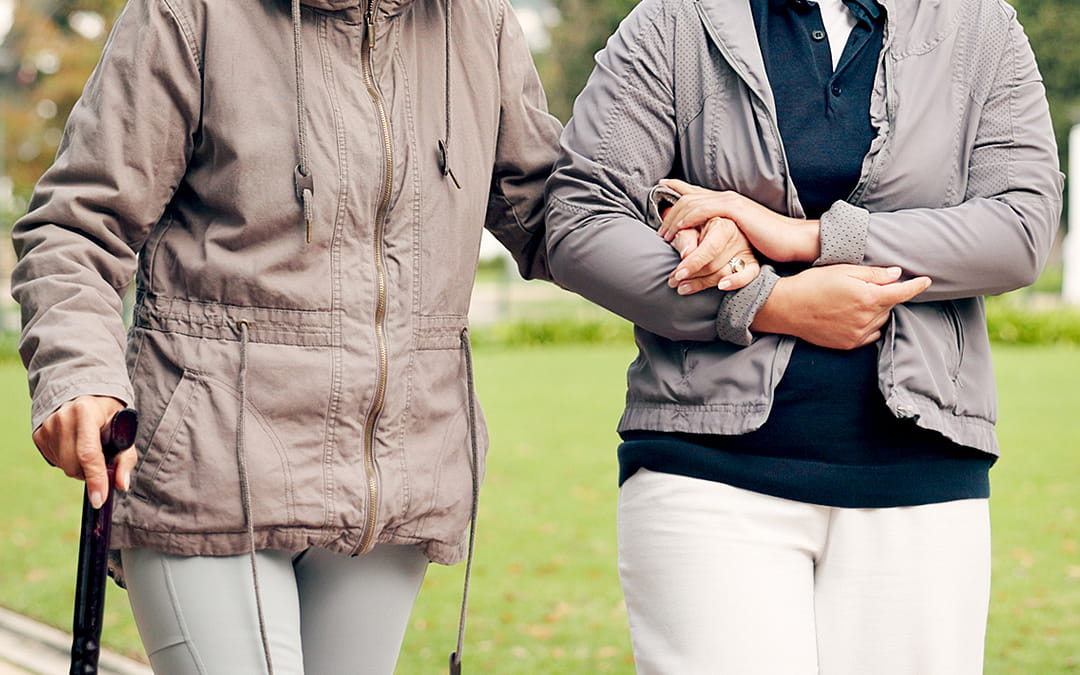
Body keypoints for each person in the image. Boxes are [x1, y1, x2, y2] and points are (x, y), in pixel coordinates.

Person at [11, 0, 560, 671]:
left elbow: (555, 214)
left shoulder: (481, 23)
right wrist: (79, 373)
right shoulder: (185, 13)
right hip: (211, 469)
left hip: (396, 483)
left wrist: (680, 217)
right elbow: (76, 225)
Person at [545, 0, 1063, 672]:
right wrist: (769, 302)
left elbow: (1021, 228)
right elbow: (581, 218)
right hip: (706, 478)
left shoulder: (978, 22)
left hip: (923, 475)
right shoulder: (674, 20)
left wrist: (810, 237)